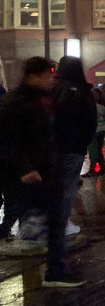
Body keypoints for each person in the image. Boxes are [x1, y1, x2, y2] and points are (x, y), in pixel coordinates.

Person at [48, 56, 98, 287]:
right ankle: (56, 268)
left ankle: (55, 264)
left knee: (55, 205)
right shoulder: (77, 91)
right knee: (61, 207)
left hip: (55, 153)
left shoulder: (54, 89)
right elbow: (85, 123)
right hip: (70, 151)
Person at [0, 58, 56, 249]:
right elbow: (8, 139)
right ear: (34, 76)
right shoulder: (17, 101)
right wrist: (25, 168)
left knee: (40, 222)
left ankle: (48, 270)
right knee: (29, 221)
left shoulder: (40, 99)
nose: (52, 80)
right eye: (48, 76)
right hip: (26, 173)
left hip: (40, 170)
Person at [82, 88, 105, 176]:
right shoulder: (102, 107)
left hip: (93, 130)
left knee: (93, 150)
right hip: (102, 130)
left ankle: (92, 169)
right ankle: (103, 167)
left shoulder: (88, 107)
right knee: (99, 149)